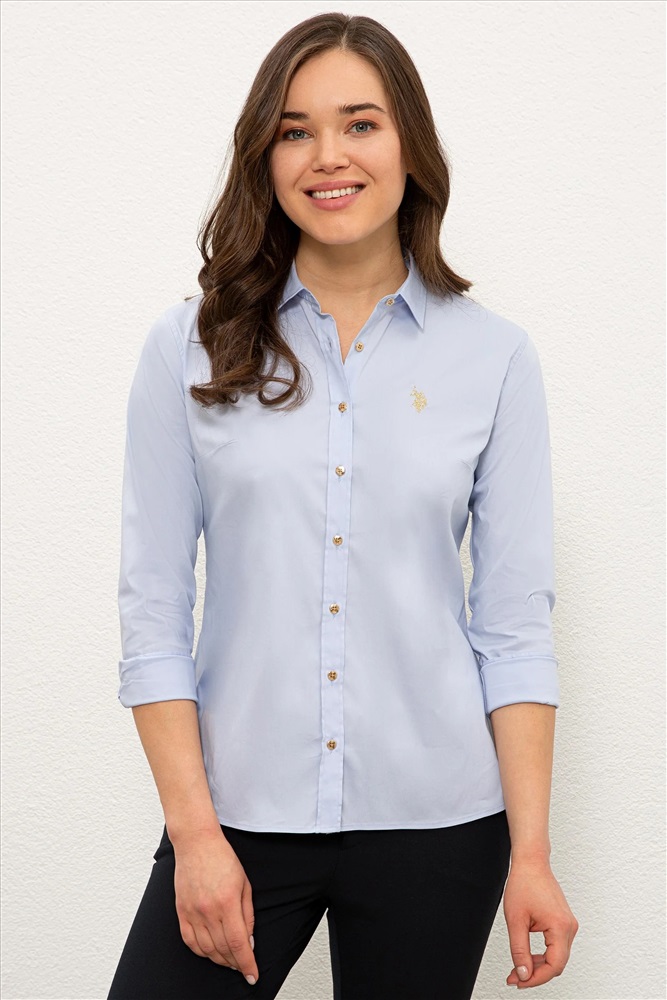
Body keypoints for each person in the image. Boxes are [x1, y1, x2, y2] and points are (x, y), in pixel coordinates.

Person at [107, 12, 578, 1000]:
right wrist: (195, 837)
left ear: (410, 145)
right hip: (236, 813)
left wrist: (531, 854)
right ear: (266, 158)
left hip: (439, 823)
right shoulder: (186, 348)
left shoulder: (493, 358)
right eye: (295, 131)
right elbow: (151, 611)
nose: (329, 155)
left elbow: (513, 625)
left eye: (360, 123)